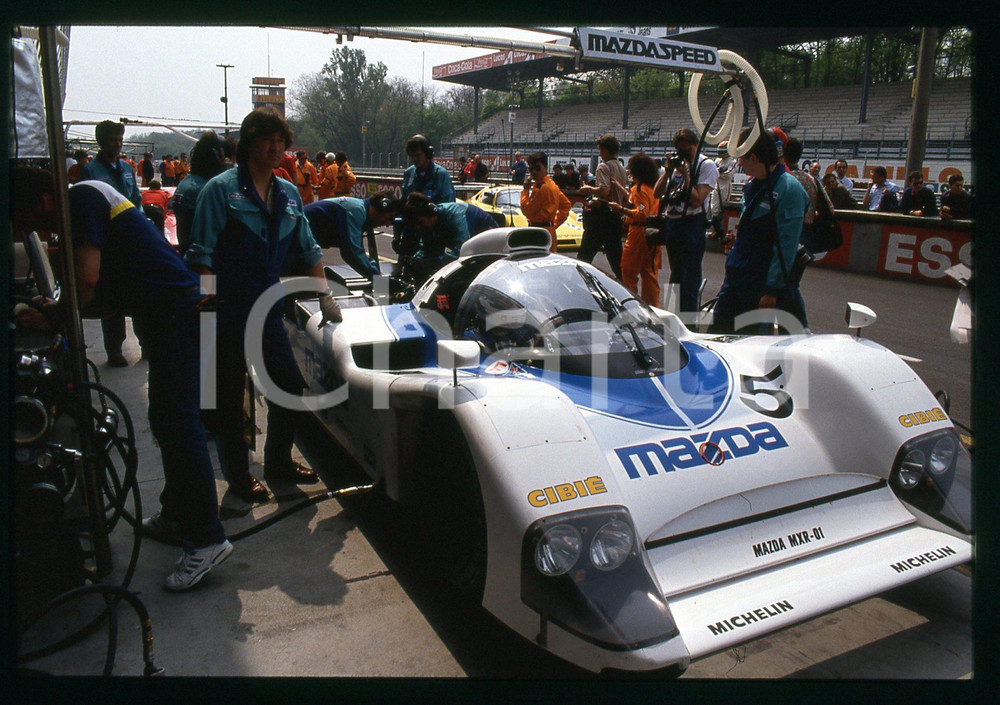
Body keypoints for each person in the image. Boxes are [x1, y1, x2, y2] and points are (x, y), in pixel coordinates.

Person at [12, 166, 233, 591]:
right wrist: (58, 309)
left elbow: (88, 280)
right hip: (167, 314)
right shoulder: (82, 205)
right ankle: (176, 515)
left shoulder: (80, 199)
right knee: (167, 422)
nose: (27, 233)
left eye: (26, 222)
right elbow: (99, 295)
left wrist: (56, 312)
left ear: (41, 201)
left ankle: (207, 538)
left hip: (179, 314)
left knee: (180, 425)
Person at [186, 107, 341, 503]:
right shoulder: (220, 191)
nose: (276, 148)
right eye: (267, 140)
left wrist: (324, 294)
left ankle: (278, 463)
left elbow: (308, 248)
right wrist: (206, 307)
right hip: (225, 308)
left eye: (281, 142)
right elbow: (201, 253)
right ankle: (238, 477)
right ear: (249, 144)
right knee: (226, 398)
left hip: (268, 305)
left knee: (289, 386)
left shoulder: (288, 192)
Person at [709, 128, 809, 334]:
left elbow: (786, 245)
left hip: (760, 283)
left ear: (753, 157)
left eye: (740, 159)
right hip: (737, 276)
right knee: (718, 333)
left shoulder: (790, 189)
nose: (738, 164)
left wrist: (771, 289)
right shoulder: (752, 184)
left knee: (751, 340)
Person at [78, 120, 144, 367]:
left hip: (130, 239)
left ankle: (145, 344)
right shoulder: (91, 172)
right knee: (112, 296)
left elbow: (135, 198)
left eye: (119, 139)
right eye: (112, 140)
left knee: (139, 294)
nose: (117, 144)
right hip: (107, 242)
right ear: (101, 142)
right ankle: (114, 349)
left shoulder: (127, 168)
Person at [653, 127, 719, 312]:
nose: (685, 155)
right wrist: (668, 171)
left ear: (696, 146)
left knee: (688, 277)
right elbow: (657, 193)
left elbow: (697, 199)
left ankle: (689, 320)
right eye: (681, 151)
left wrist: (687, 174)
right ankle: (673, 315)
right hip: (674, 223)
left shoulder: (706, 165)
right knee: (676, 275)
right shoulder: (676, 167)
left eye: (688, 150)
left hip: (691, 223)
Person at [608, 153, 662, 306]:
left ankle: (632, 306)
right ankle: (652, 307)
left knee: (628, 272)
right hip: (653, 234)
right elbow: (641, 203)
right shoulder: (651, 188)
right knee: (649, 274)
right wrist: (621, 188)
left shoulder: (639, 189)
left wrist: (621, 210)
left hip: (638, 234)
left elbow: (641, 212)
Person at [400, 191, 496, 274]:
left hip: (490, 247)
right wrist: (414, 261)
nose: (419, 227)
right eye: (415, 225)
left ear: (431, 214)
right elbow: (426, 250)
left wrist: (431, 262)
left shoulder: (456, 216)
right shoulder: (427, 223)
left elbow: (462, 252)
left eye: (420, 222)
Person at [169, 130, 230, 255]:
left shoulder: (186, 183)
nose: (228, 161)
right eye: (226, 156)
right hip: (206, 263)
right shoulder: (206, 189)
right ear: (216, 155)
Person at [577, 134, 628, 280]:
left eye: (600, 149)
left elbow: (604, 191)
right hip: (615, 216)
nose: (599, 153)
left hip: (601, 216)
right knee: (616, 259)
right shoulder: (621, 168)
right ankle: (626, 290)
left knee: (584, 257)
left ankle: (579, 287)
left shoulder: (603, 166)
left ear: (604, 150)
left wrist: (588, 188)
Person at [396, 134, 456, 256]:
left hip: (432, 233)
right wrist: (396, 236)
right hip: (410, 232)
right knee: (404, 267)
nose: (415, 159)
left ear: (428, 154)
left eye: (418, 155)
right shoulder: (409, 174)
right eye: (412, 156)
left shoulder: (441, 175)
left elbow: (448, 208)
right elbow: (403, 206)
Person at [785, 137, 835, 256]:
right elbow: (830, 208)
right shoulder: (811, 180)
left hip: (784, 230)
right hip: (806, 231)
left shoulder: (780, 178)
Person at [520, 151, 572, 254]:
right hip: (550, 231)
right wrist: (554, 224)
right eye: (531, 169)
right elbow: (566, 205)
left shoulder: (541, 188)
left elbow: (527, 211)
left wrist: (525, 190)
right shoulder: (553, 185)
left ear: (545, 167)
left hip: (537, 233)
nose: (534, 172)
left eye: (537, 168)